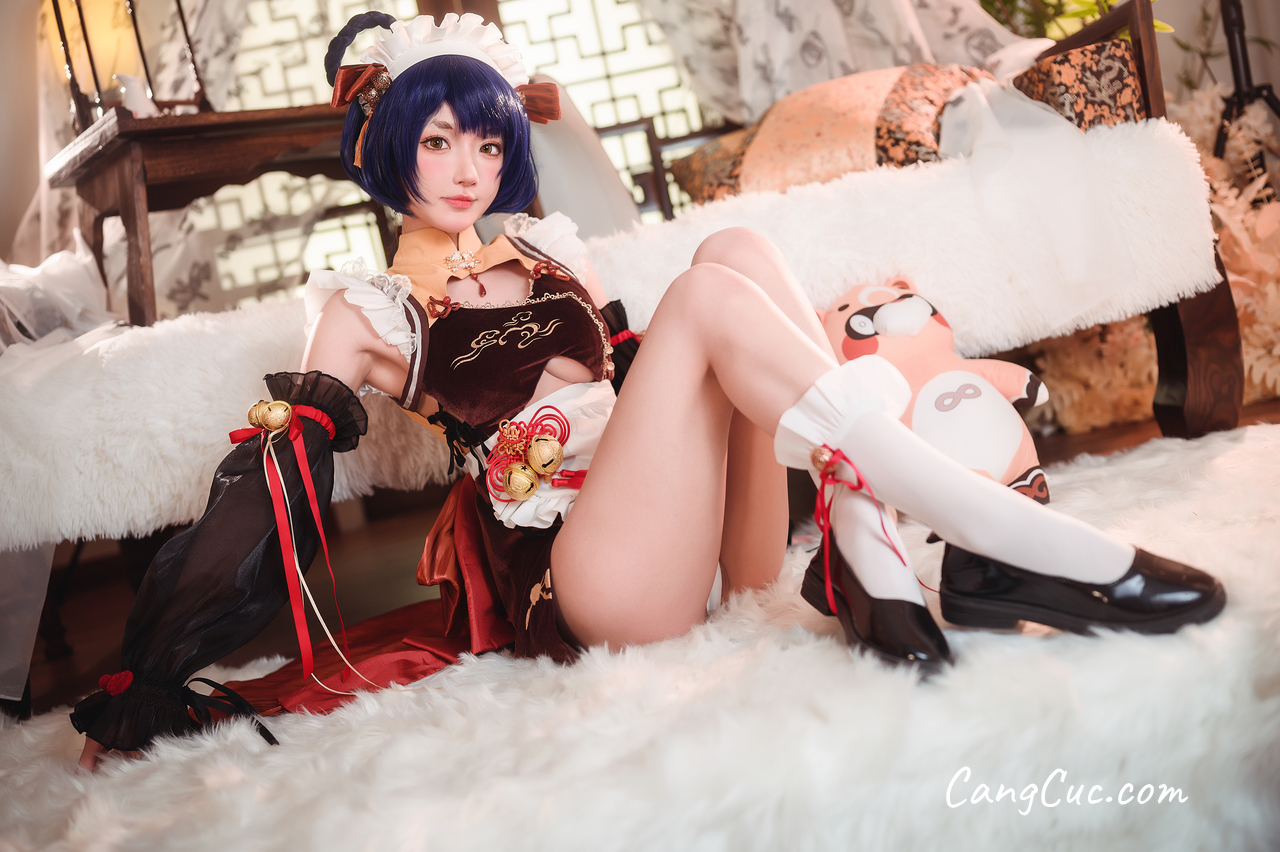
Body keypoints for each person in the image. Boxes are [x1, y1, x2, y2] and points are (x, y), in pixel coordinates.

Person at [72, 12, 1226, 770]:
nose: (469, 170)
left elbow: (654, 385)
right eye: (438, 143)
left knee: (734, 256)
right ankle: (977, 526)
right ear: (391, 152)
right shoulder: (370, 311)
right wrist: (154, 670)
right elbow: (274, 475)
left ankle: (868, 540)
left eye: (486, 145)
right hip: (587, 586)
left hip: (705, 548)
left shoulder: (546, 252)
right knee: (705, 294)